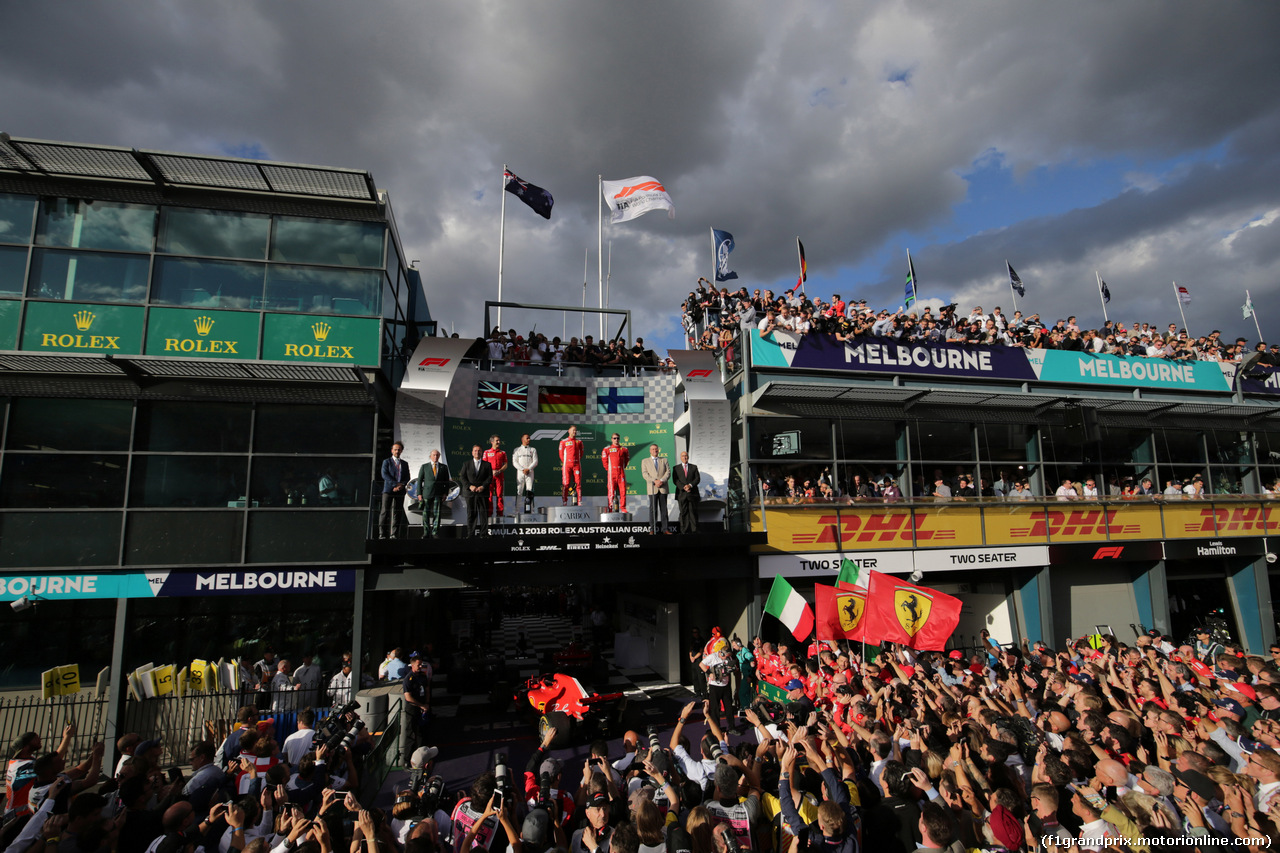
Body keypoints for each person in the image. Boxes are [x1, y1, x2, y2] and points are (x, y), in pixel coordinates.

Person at [402, 652, 432, 766]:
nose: (420, 667)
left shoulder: (423, 676)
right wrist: (421, 705)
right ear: (413, 665)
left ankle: (421, 757)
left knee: (421, 733)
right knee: (410, 733)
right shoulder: (409, 679)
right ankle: (407, 760)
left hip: (422, 707)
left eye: (421, 665)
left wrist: (427, 703)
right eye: (418, 665)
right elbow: (408, 696)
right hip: (412, 708)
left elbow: (427, 689)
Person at [458, 444, 494, 537]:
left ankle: (484, 534)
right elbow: (462, 477)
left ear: (482, 452)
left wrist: (483, 486)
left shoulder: (487, 464)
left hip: (483, 493)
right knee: (471, 514)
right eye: (475, 450)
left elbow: (490, 477)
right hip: (470, 493)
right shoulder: (466, 464)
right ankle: (470, 534)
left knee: (483, 514)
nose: (477, 452)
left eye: (479, 451)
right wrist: (470, 486)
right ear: (472, 453)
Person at [417, 449, 451, 538]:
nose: (435, 457)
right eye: (434, 455)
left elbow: (446, 482)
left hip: (438, 494)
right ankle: (426, 532)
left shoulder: (444, 467)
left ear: (439, 456)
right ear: (430, 456)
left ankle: (435, 532)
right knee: (425, 514)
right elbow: (419, 480)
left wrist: (445, 493)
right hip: (427, 493)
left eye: (437, 455)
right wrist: (419, 494)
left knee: (437, 513)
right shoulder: (424, 466)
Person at [380, 441, 411, 539]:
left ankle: (394, 534)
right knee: (385, 511)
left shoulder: (404, 464)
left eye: (399, 450)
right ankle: (382, 534)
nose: (397, 451)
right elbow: (384, 474)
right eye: (395, 449)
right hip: (388, 490)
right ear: (392, 451)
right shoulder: (387, 462)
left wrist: (401, 485)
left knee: (397, 512)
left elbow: (407, 476)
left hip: (400, 490)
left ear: (401, 451)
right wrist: (395, 484)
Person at [641, 444, 670, 534]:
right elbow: (645, 474)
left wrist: (661, 480)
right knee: (653, 509)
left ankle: (665, 529)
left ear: (658, 450)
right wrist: (655, 481)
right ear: (650, 451)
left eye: (656, 449)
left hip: (663, 488)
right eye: (653, 449)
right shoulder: (645, 461)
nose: (655, 450)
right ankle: (652, 529)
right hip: (652, 488)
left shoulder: (664, 460)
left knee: (664, 509)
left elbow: (668, 472)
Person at [602, 432, 631, 512]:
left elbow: (627, 460)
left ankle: (623, 507)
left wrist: (621, 468)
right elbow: (604, 461)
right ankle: (611, 508)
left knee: (623, 491)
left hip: (621, 472)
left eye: (617, 438)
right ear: (611, 439)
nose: (616, 440)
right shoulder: (607, 449)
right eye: (614, 438)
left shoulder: (624, 449)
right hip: (612, 473)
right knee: (611, 491)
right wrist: (609, 469)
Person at [673, 450, 701, 533]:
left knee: (693, 512)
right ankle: (683, 530)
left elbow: (697, 479)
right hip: (681, 494)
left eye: (686, 456)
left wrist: (690, 485)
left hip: (692, 493)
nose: (684, 457)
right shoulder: (676, 468)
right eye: (683, 456)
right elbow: (675, 480)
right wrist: (684, 487)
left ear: (688, 457)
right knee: (683, 512)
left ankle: (694, 530)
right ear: (680, 458)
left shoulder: (694, 467)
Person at [483, 434, 509, 520]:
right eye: (497, 440)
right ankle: (489, 514)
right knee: (489, 495)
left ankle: (500, 514)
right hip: (489, 476)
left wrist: (499, 471)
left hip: (499, 476)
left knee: (499, 495)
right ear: (492, 442)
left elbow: (506, 465)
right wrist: (491, 471)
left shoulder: (503, 452)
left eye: (499, 440)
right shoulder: (486, 452)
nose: (498, 442)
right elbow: (483, 465)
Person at [512, 434, 539, 514]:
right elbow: (514, 462)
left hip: (530, 473)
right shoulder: (517, 450)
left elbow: (535, 461)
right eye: (527, 438)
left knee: (530, 491)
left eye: (529, 438)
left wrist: (529, 469)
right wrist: (522, 469)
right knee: (519, 491)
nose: (529, 439)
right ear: (522, 439)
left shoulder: (533, 449)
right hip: (520, 473)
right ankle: (517, 511)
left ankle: (531, 510)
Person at [560, 425, 584, 506]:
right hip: (567, 465)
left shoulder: (579, 442)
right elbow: (561, 455)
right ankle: (564, 501)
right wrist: (566, 462)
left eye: (575, 430)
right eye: (573, 430)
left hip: (577, 465)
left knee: (578, 483)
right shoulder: (563, 441)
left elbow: (581, 453)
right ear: (569, 431)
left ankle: (579, 501)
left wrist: (576, 461)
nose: (575, 432)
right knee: (566, 483)